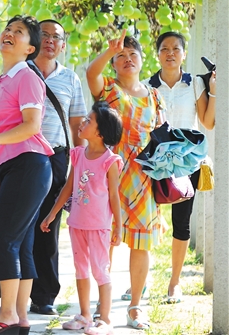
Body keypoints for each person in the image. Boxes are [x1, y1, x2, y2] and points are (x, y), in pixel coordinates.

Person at [0, 19, 87, 315]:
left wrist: (79, 165)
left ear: (63, 45)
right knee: (9, 227)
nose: (50, 40)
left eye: (57, 37)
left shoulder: (68, 79)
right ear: (35, 44)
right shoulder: (13, 75)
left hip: (50, 155)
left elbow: (76, 123)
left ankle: (42, 297)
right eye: (45, 35)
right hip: (14, 157)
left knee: (44, 227)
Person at [0, 16, 53, 335]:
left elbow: (31, 125)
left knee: (4, 239)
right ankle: (20, 318)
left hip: (29, 165)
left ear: (29, 48)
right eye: (8, 29)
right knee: (19, 243)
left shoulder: (27, 77)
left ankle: (5, 313)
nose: (9, 33)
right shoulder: (2, 81)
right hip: (13, 169)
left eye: (18, 32)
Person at [86, 30, 165, 331]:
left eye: (133, 55)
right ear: (114, 64)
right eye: (121, 56)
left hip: (144, 178)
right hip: (110, 174)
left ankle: (135, 307)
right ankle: (101, 307)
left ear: (142, 60)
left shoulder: (154, 95)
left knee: (141, 243)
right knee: (106, 239)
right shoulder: (107, 88)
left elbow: (160, 134)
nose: (127, 59)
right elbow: (90, 72)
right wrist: (109, 50)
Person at [144, 31, 216, 304]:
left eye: (176, 48)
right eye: (165, 48)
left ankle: (175, 283)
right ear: (158, 53)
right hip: (155, 161)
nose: (170, 53)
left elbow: (207, 123)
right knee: (146, 220)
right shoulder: (147, 86)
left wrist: (215, 91)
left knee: (181, 223)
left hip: (187, 161)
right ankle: (142, 280)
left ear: (183, 54)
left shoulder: (196, 84)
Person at [41, 101, 123, 335]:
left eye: (88, 120)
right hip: (77, 224)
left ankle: (105, 319)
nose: (82, 123)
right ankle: (85, 315)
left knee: (100, 270)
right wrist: (52, 213)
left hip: (99, 227)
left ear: (100, 132)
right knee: (81, 270)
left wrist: (117, 225)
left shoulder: (110, 161)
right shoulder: (77, 155)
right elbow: (68, 187)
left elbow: (114, 196)